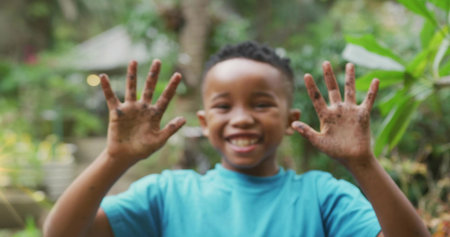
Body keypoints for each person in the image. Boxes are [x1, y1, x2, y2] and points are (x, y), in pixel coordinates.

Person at [43, 41, 430, 237]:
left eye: (261, 104)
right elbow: (60, 233)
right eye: (224, 106)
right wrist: (115, 158)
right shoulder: (167, 194)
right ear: (203, 120)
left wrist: (363, 164)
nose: (242, 119)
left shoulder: (323, 196)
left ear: (291, 119)